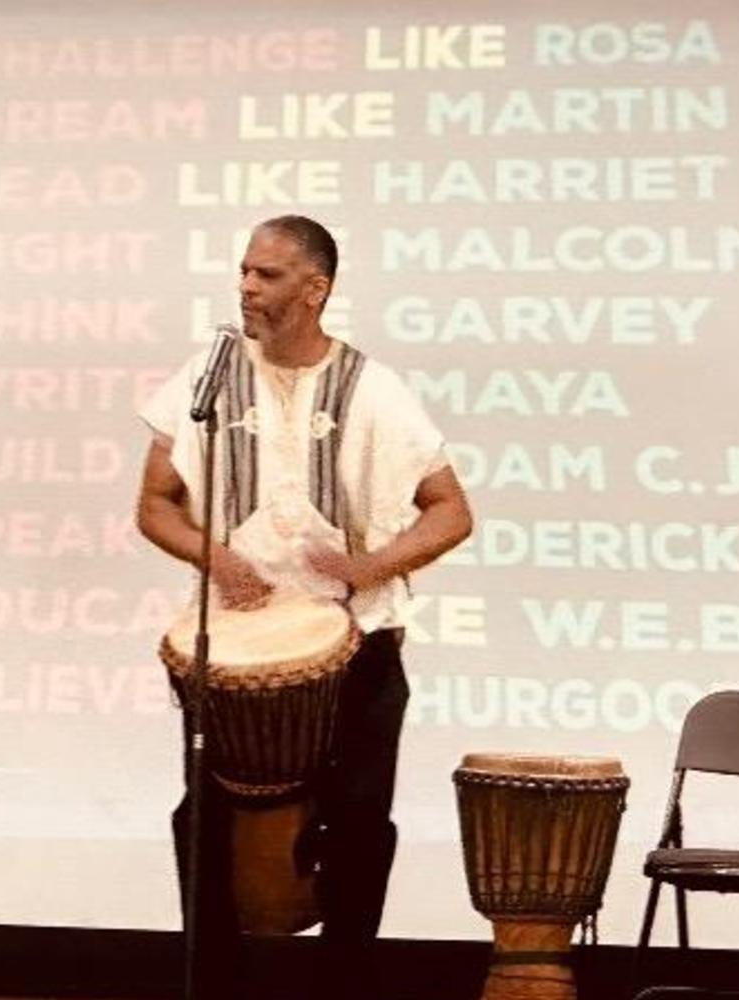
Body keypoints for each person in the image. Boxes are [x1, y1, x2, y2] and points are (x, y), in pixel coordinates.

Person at [135, 216, 472, 997]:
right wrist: (215, 556)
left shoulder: (373, 389)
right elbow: (155, 504)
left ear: (316, 289)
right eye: (244, 272)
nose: (246, 287)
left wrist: (369, 564)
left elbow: (451, 510)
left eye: (268, 275)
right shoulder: (205, 382)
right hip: (236, 649)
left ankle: (343, 985)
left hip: (359, 646)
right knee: (201, 824)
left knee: (357, 825)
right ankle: (215, 986)